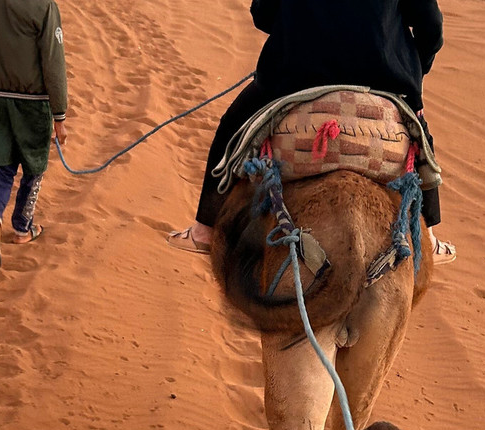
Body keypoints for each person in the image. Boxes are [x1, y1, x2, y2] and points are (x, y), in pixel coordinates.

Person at [168, 0, 456, 264]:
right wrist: (416, 72)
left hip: (296, 78)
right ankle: (427, 236)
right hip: (384, 81)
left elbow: (263, 14)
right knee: (419, 139)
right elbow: (432, 27)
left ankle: (205, 230)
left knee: (233, 125)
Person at [0, 0, 69, 269]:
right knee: (34, 164)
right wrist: (59, 115)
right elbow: (53, 60)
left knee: (3, 164)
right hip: (32, 99)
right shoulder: (45, 6)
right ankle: (23, 229)